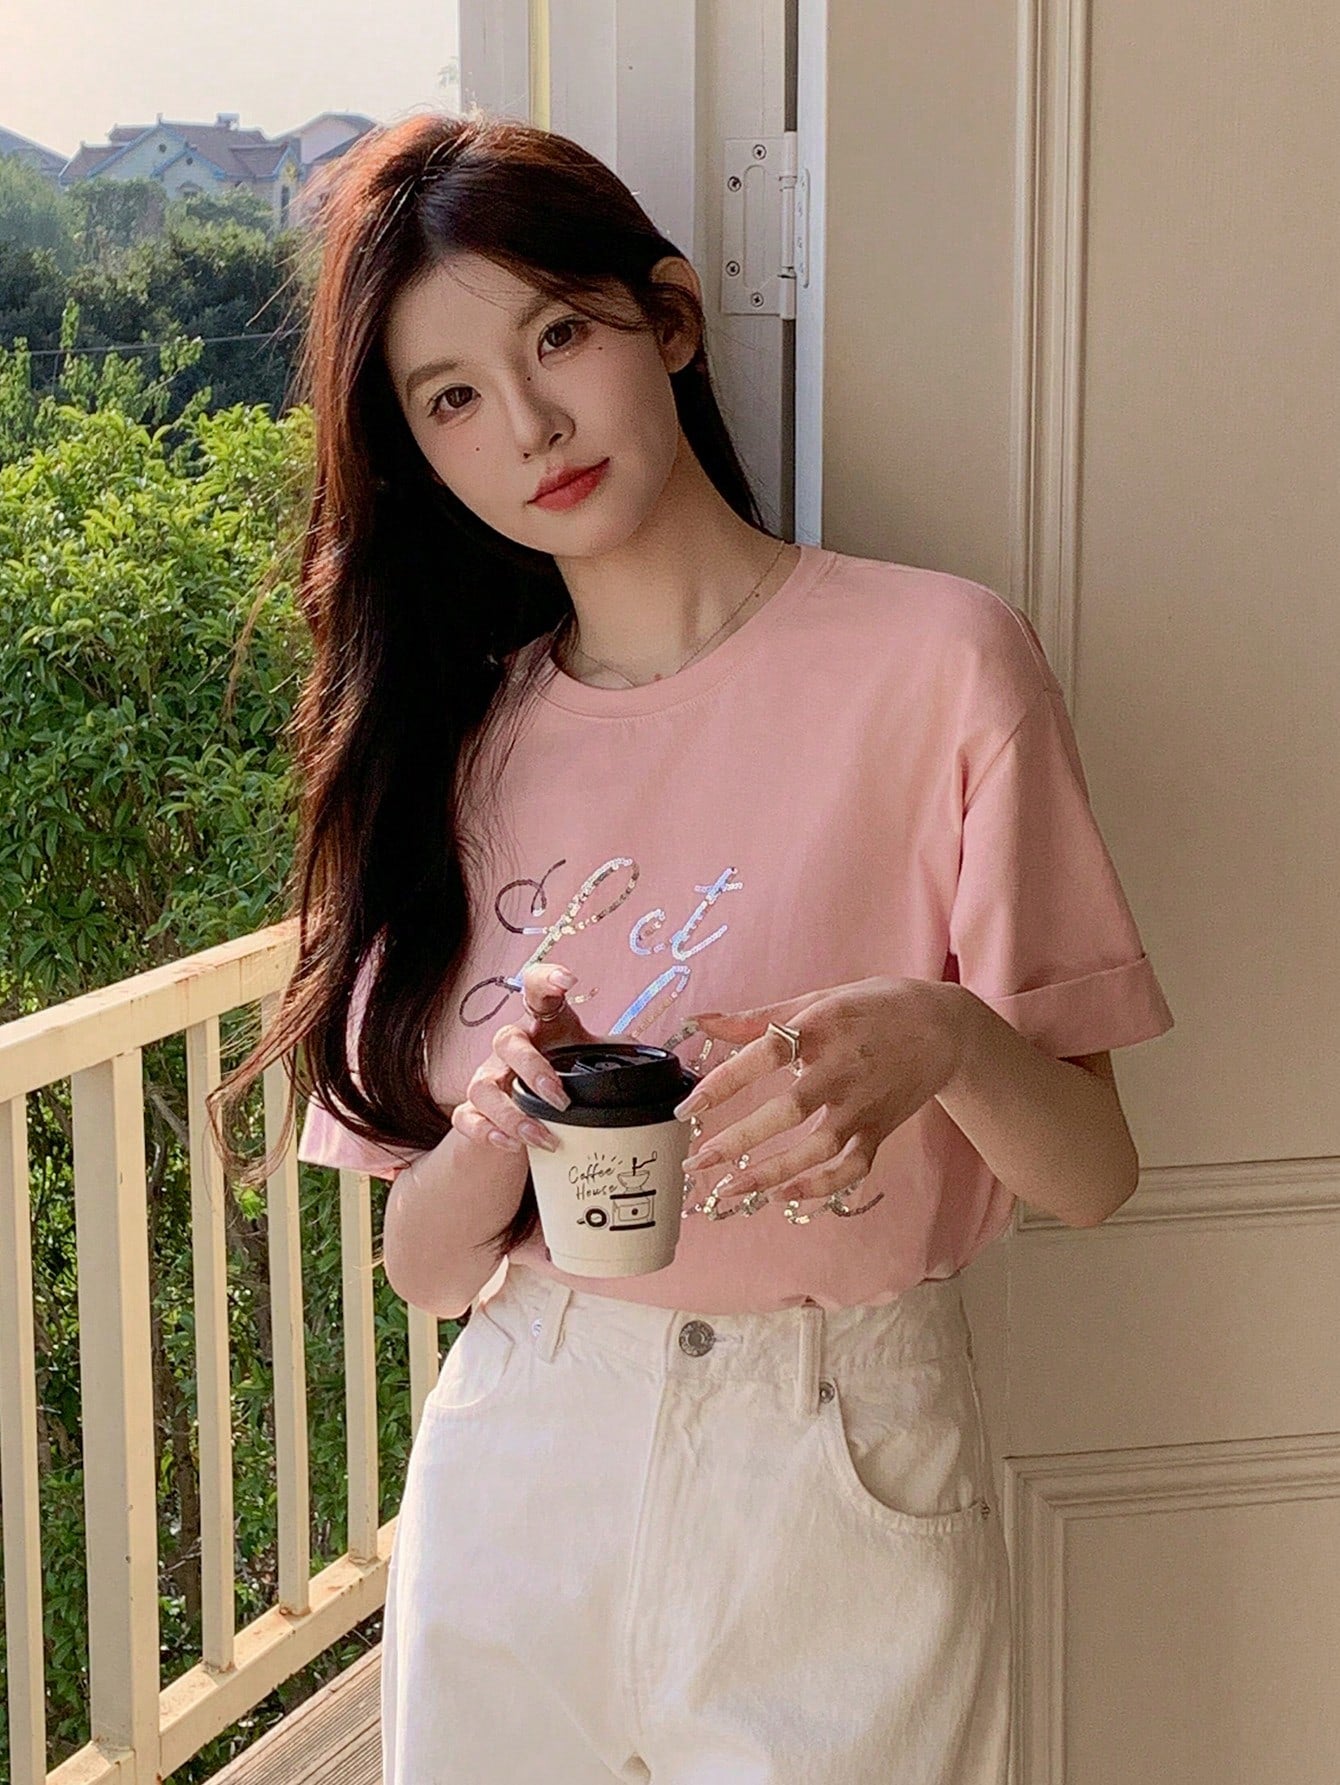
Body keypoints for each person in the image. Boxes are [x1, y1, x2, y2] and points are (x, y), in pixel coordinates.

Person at [216, 106, 1175, 1782]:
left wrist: (942, 1036)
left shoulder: (943, 662)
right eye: (452, 399)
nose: (528, 425)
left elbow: (1093, 1174)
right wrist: (502, 1119)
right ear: (419, 453)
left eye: (556, 336)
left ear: (666, 317)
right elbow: (428, 1271)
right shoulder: (451, 749)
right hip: (529, 1453)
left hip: (839, 1456)